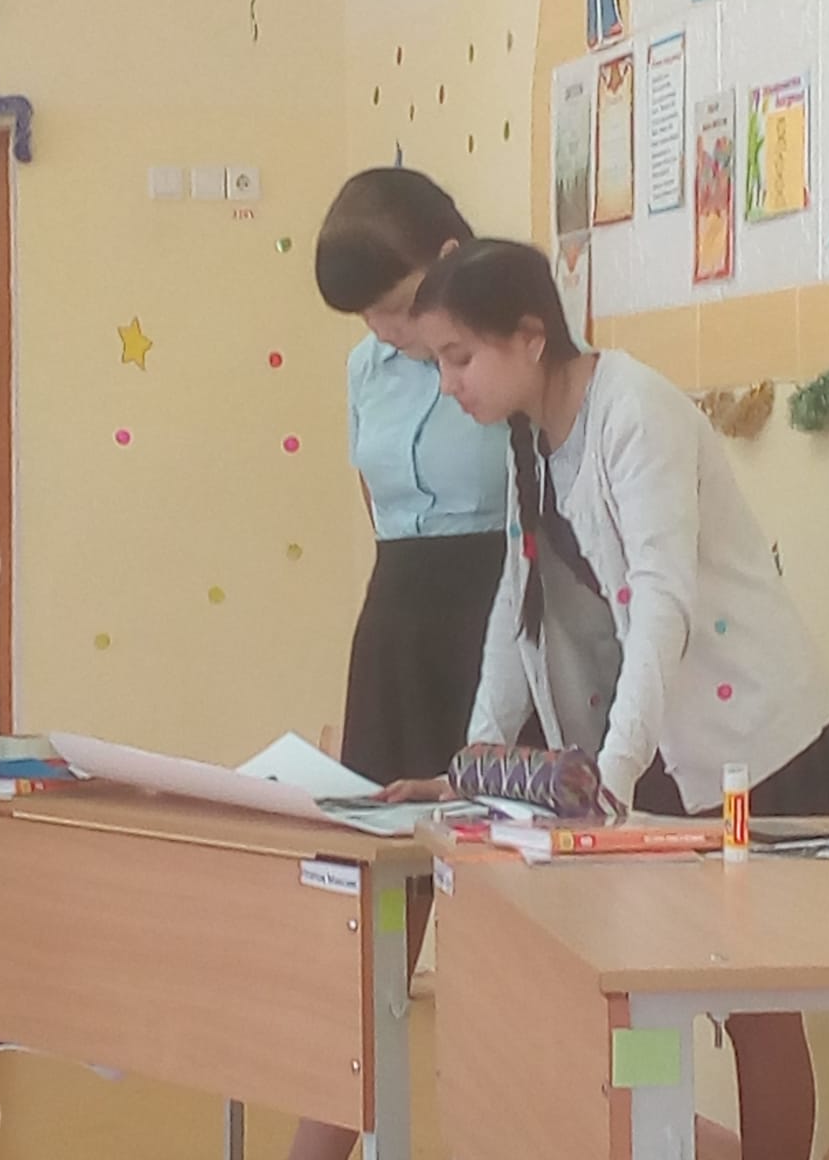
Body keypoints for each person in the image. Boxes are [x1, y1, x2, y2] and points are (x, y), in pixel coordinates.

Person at [383, 237, 829, 1160]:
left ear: (531, 337)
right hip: (660, 749)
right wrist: (473, 767)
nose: (448, 384)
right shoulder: (531, 436)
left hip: (751, 743)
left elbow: (662, 602)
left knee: (754, 1002)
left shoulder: (634, 409)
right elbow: (514, 611)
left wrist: (609, 774)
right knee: (683, 989)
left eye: (459, 357)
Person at [286, 170, 517, 1160]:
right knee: (376, 900)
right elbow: (379, 504)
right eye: (369, 316)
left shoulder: (512, 346)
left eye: (397, 304)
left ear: (450, 258)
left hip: (498, 613)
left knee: (505, 891)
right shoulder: (366, 369)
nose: (387, 330)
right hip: (397, 619)